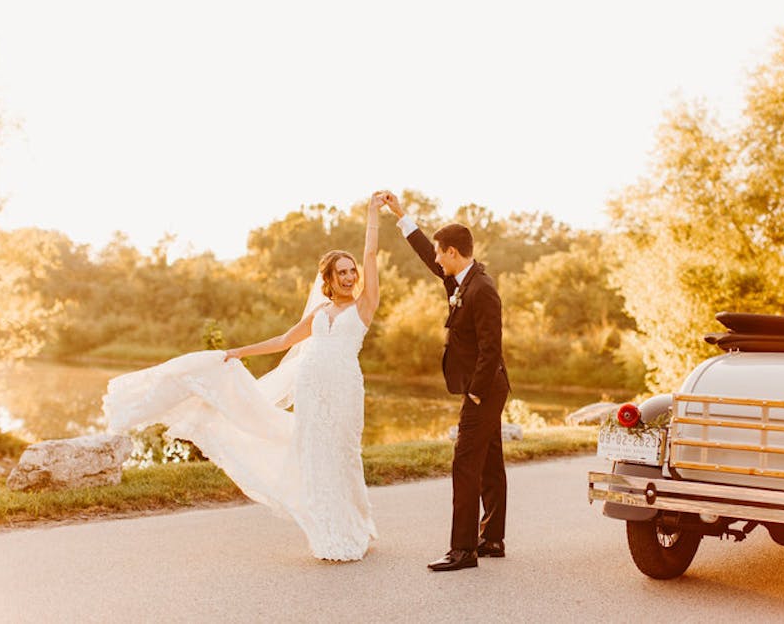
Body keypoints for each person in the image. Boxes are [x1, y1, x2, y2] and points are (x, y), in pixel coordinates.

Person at [102, 193, 385, 561]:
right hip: (312, 390)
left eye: (352, 271)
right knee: (314, 457)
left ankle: (356, 524)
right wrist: (238, 352)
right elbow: (284, 341)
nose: (349, 277)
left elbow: (371, 256)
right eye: (341, 272)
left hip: (344, 390)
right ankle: (328, 529)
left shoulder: (364, 306)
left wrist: (372, 214)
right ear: (329, 278)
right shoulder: (318, 312)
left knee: (342, 455)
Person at [381, 191, 511, 572]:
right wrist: (402, 216)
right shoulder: (461, 281)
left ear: (453, 252)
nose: (436, 259)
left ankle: (463, 550)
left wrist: (473, 392)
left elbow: (492, 348)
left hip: (483, 390)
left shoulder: (482, 290)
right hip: (485, 388)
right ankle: (493, 538)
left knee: (465, 464)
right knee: (489, 463)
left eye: (441, 253)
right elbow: (426, 254)